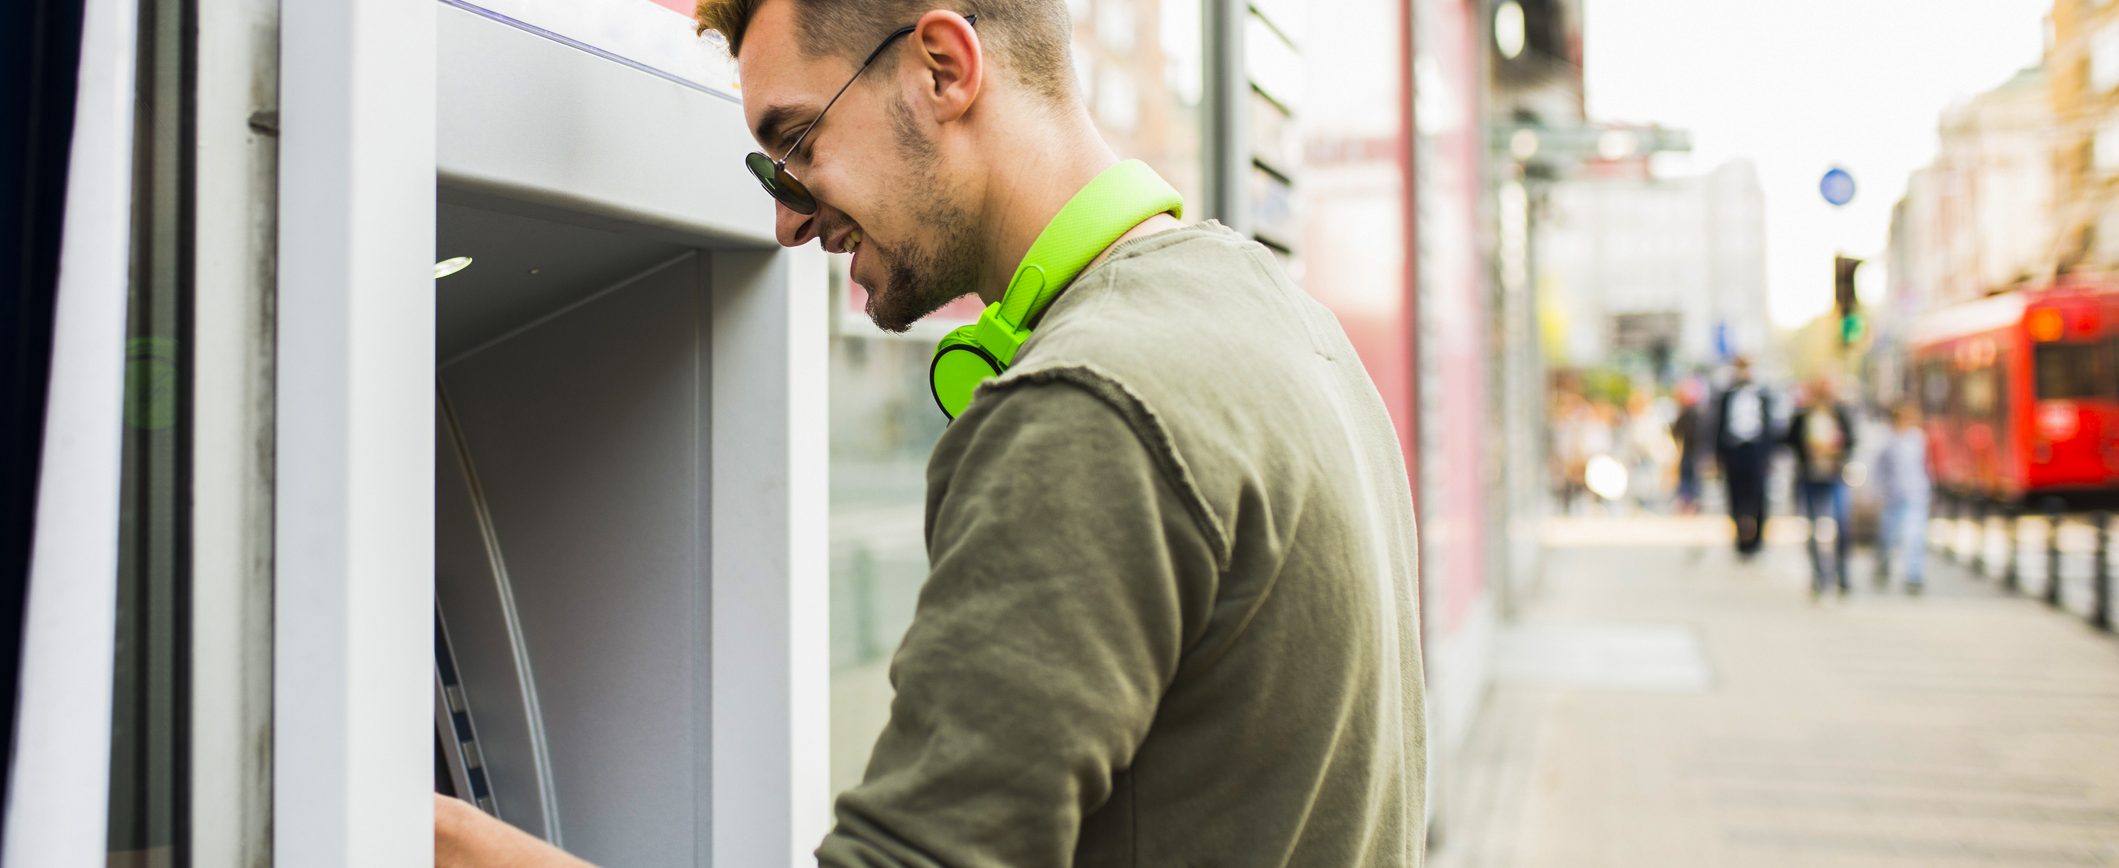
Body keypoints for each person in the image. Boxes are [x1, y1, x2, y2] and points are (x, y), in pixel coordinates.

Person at [434, 1, 1427, 866]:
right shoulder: (1276, 319)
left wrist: (447, 844)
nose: (785, 221)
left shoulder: (1088, 409)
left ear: (941, 67)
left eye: (797, 145)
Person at [1786, 375, 1857, 598]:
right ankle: (1820, 577)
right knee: (1814, 529)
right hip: (1810, 477)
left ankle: (1842, 575)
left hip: (1834, 476)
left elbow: (1852, 441)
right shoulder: (1804, 415)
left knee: (1841, 527)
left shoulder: (1840, 413)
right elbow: (1790, 440)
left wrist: (1837, 453)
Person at [1713, 358, 1774, 559]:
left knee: (1758, 497)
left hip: (1755, 452)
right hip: (1734, 451)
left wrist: (1768, 455)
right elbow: (1717, 426)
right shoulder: (1727, 396)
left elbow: (1770, 428)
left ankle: (1757, 540)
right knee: (1735, 497)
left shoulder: (1762, 395)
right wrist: (1718, 455)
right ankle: (1741, 540)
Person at [1871, 403, 1931, 593]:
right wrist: (1878, 491)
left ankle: (1914, 576)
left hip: (1916, 494)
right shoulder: (1888, 440)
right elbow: (1879, 469)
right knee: (1889, 536)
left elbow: (1925, 466)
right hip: (1893, 495)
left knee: (1915, 537)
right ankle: (1883, 565)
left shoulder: (1918, 438)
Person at [1670, 378, 1708, 514]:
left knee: (1689, 479)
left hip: (1690, 452)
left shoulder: (1688, 414)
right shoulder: (1699, 414)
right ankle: (1690, 502)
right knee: (1692, 479)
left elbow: (1675, 432)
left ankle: (1689, 503)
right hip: (1692, 452)